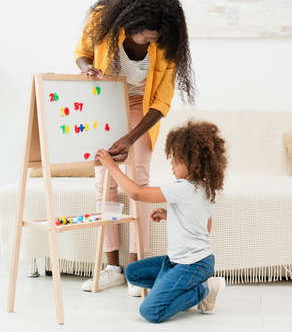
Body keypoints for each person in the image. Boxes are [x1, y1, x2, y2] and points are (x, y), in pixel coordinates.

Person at [74, 0, 196, 296]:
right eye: (148, 35)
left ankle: (135, 267)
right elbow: (82, 54)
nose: (151, 41)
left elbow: (161, 104)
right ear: (131, 22)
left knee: (139, 183)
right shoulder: (103, 20)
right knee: (105, 182)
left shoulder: (166, 44)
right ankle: (112, 265)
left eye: (156, 37)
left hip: (140, 110)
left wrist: (129, 139)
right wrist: (88, 69)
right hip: (106, 102)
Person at [95, 119, 227, 322]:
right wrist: (170, 216)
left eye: (175, 159)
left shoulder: (182, 188)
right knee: (133, 272)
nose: (172, 165)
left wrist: (111, 166)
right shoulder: (205, 188)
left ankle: (203, 289)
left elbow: (137, 193)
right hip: (183, 262)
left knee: (151, 311)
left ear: (192, 162)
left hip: (192, 265)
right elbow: (203, 226)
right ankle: (178, 287)